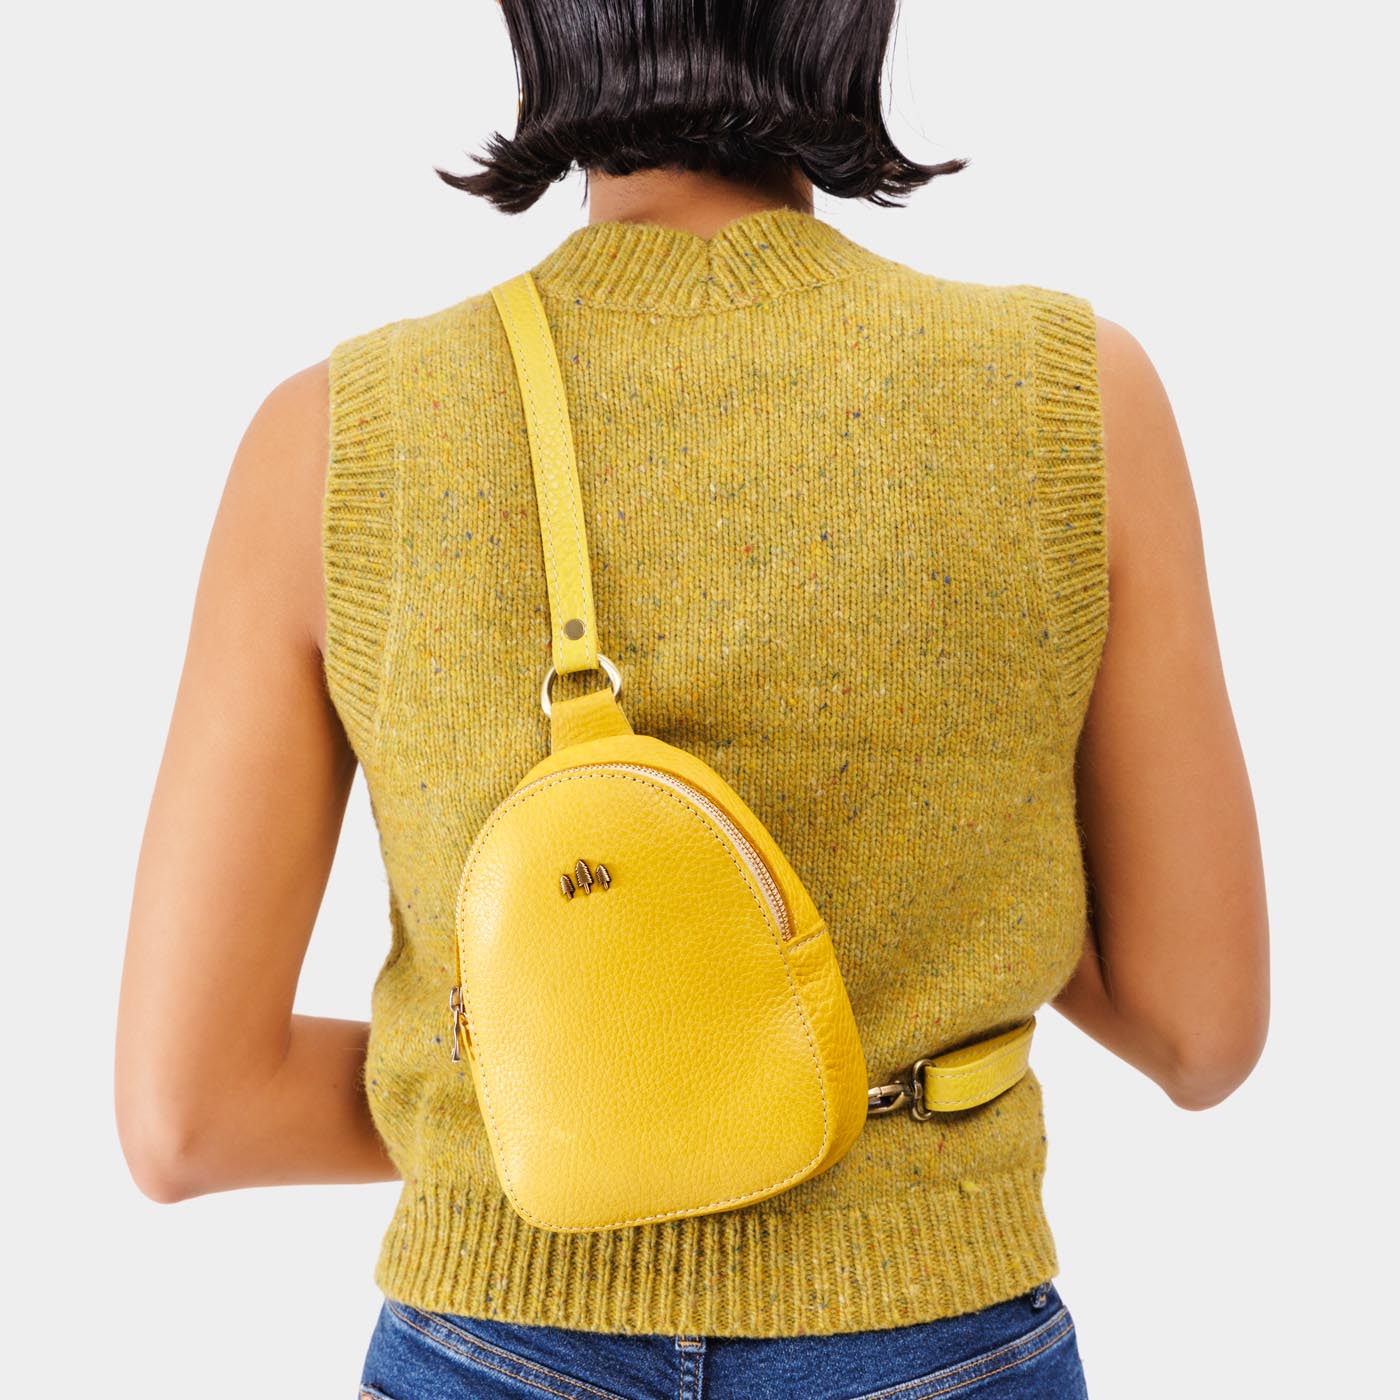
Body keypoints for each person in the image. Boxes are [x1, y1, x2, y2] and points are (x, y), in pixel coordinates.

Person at [115, 2, 1270, 1396]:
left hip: (489, 1336)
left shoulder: (336, 436)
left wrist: (580, 1084)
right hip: (938, 1332)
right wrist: (968, 834)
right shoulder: (1071, 394)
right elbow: (1201, 1035)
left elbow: (189, 1118)